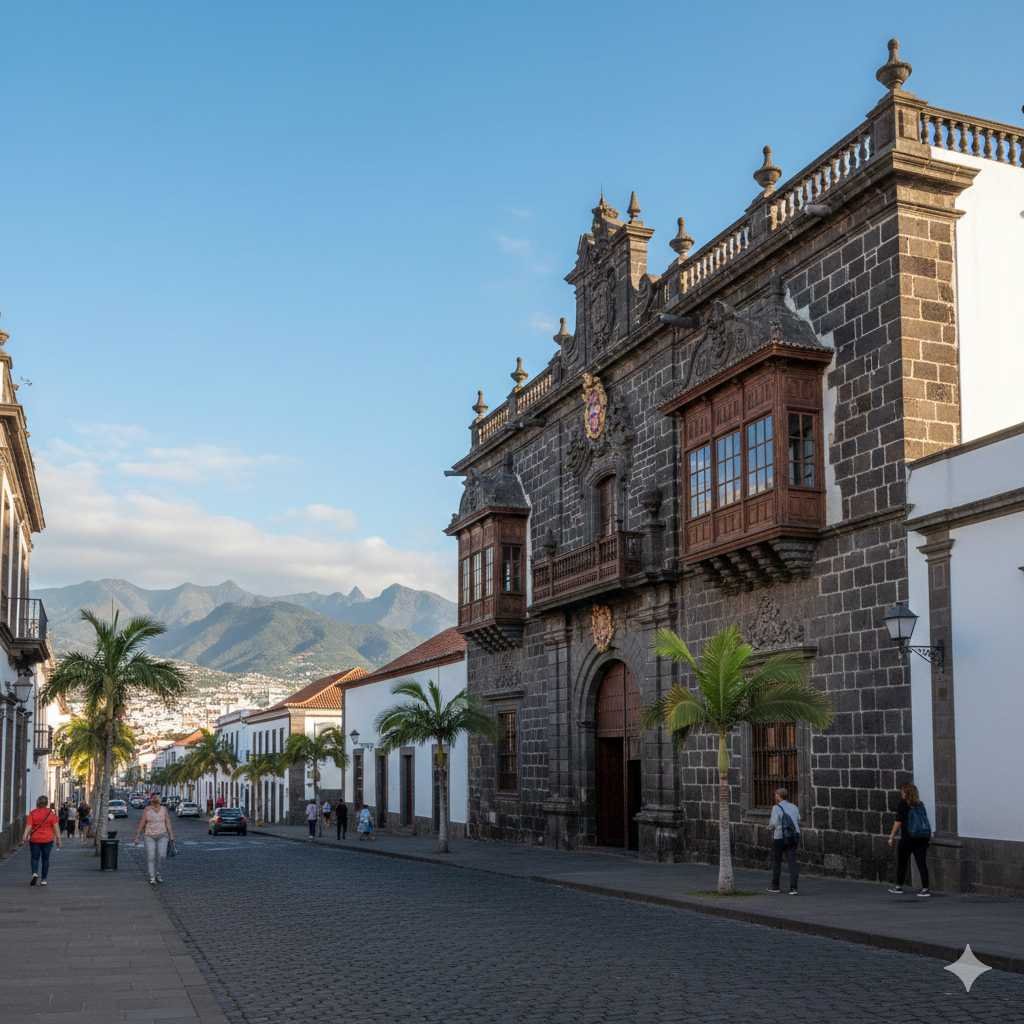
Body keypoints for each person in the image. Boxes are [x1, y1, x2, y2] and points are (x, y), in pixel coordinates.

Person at [888, 781, 932, 897]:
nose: (901, 793)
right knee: (922, 864)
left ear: (906, 793)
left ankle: (898, 887)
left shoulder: (903, 804)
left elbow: (898, 822)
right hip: (921, 838)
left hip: (908, 838)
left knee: (902, 863)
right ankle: (925, 889)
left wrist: (891, 836)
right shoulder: (920, 804)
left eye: (902, 791)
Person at [134, 792, 175, 886]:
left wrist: (171, 835)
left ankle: (158, 873)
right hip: (149, 835)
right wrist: (137, 836)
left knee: (162, 856)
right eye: (155, 798)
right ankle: (152, 877)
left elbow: (168, 822)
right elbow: (142, 822)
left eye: (158, 798)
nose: (156, 799)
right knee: (151, 857)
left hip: (163, 835)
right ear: (151, 800)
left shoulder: (164, 809)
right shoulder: (147, 809)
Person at [767, 787, 801, 895]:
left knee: (777, 861)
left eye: (775, 795)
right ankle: (793, 888)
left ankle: (775, 887)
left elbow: (773, 823)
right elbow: (798, 820)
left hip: (780, 837)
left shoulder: (776, 807)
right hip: (793, 836)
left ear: (778, 796)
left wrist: (769, 827)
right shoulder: (794, 806)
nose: (775, 796)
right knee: (792, 862)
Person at [23, 795, 61, 886]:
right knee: (45, 859)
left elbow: (29, 826)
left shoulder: (33, 813)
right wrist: (58, 839)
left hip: (35, 839)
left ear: (38, 803)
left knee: (34, 858)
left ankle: (35, 873)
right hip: (48, 839)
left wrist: (25, 835)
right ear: (46, 803)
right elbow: (56, 827)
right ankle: (44, 879)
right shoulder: (51, 814)